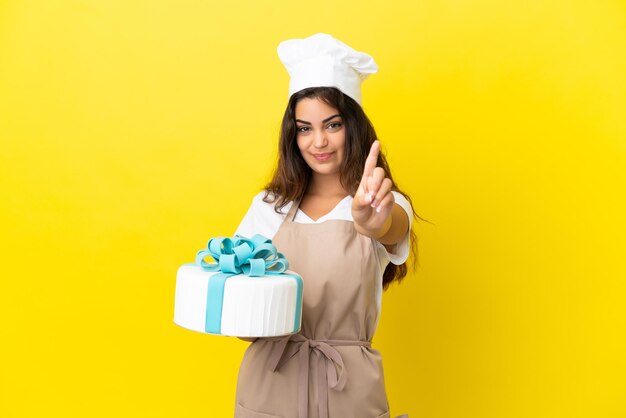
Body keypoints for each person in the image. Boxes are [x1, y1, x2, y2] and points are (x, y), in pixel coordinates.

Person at [233, 33, 416, 418]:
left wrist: (372, 222)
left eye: (332, 125)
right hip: (270, 383)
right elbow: (239, 314)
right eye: (304, 128)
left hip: (348, 388)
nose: (319, 141)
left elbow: (394, 229)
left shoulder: (381, 202)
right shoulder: (268, 208)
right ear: (292, 134)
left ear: (354, 125)